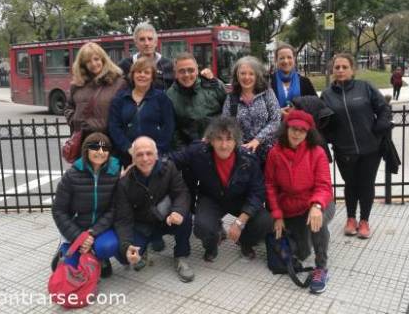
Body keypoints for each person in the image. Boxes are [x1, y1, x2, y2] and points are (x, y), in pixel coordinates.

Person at [169, 116, 273, 262]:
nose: (224, 145)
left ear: (236, 141)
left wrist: (239, 222)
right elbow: (172, 160)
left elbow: (257, 192)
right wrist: (145, 162)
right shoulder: (199, 151)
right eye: (219, 139)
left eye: (229, 139)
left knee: (265, 221)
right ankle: (212, 244)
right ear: (210, 140)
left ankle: (245, 242)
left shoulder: (248, 159)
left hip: (239, 199)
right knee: (202, 226)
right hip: (211, 198)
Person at [321, 53, 391, 239]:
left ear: (352, 70)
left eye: (345, 67)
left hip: (370, 148)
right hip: (344, 151)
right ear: (332, 70)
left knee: (366, 185)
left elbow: (383, 108)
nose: (341, 70)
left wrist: (379, 126)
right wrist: (330, 138)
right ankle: (351, 219)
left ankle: (364, 221)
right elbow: (323, 122)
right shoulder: (327, 95)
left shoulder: (365, 87)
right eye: (337, 67)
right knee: (350, 185)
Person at [265, 110, 335, 294]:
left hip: (317, 202)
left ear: (308, 133)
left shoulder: (317, 152)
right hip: (291, 207)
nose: (296, 133)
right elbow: (270, 186)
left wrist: (317, 205)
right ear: (286, 128)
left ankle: (321, 268)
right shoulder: (275, 153)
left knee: (316, 222)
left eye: (302, 130)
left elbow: (324, 185)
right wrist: (277, 215)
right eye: (293, 129)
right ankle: (306, 237)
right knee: (302, 253)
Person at [114, 136, 194, 282]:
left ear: (156, 155)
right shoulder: (124, 183)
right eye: (139, 154)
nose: (145, 159)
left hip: (166, 219)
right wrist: (126, 247)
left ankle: (181, 256)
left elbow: (181, 192)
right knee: (123, 257)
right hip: (143, 224)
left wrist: (178, 211)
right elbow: (123, 219)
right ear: (132, 158)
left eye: (149, 153)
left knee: (185, 218)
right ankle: (142, 250)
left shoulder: (168, 168)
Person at [51, 133, 121, 278]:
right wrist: (78, 236)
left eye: (105, 148)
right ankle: (64, 249)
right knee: (70, 270)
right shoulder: (72, 175)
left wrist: (92, 233)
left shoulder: (114, 174)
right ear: (85, 150)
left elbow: (114, 208)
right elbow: (59, 210)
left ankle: (100, 257)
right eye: (95, 147)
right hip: (76, 227)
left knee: (107, 246)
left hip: (100, 229)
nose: (100, 152)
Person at [108, 57, 175, 168]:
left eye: (146, 72)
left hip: (155, 157)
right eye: (138, 72)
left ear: (152, 76)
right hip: (127, 156)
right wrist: (128, 148)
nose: (142, 75)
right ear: (132, 75)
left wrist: (156, 151)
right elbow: (114, 126)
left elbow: (168, 126)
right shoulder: (120, 99)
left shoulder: (161, 98)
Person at [64, 42, 126, 145]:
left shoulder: (119, 83)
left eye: (96, 59)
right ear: (83, 65)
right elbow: (68, 107)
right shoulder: (77, 85)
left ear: (103, 59)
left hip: (110, 140)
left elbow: (125, 111)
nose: (93, 64)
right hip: (83, 141)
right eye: (88, 61)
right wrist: (74, 121)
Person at [222, 56, 281, 164]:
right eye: (243, 73)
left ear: (257, 76)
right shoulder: (231, 98)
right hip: (243, 155)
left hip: (269, 153)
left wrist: (257, 140)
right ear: (237, 75)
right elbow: (226, 124)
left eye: (251, 74)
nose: (246, 77)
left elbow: (275, 120)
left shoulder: (267, 93)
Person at [166, 52, 226, 147]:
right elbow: (173, 131)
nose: (186, 75)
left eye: (191, 70)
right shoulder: (170, 96)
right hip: (190, 151)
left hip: (218, 146)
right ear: (175, 73)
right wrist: (185, 152)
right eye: (182, 71)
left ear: (197, 70)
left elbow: (229, 115)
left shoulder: (214, 86)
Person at [118, 22, 174, 90]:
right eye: (142, 39)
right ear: (136, 43)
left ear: (156, 42)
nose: (147, 43)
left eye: (150, 39)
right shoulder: (125, 65)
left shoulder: (168, 65)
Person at [270, 43, 317, 117]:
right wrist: (278, 112)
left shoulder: (305, 82)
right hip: (276, 127)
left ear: (294, 59)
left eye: (289, 57)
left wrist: (298, 110)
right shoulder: (268, 82)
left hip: (300, 126)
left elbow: (315, 105)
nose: (286, 61)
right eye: (282, 58)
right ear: (276, 60)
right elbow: (262, 109)